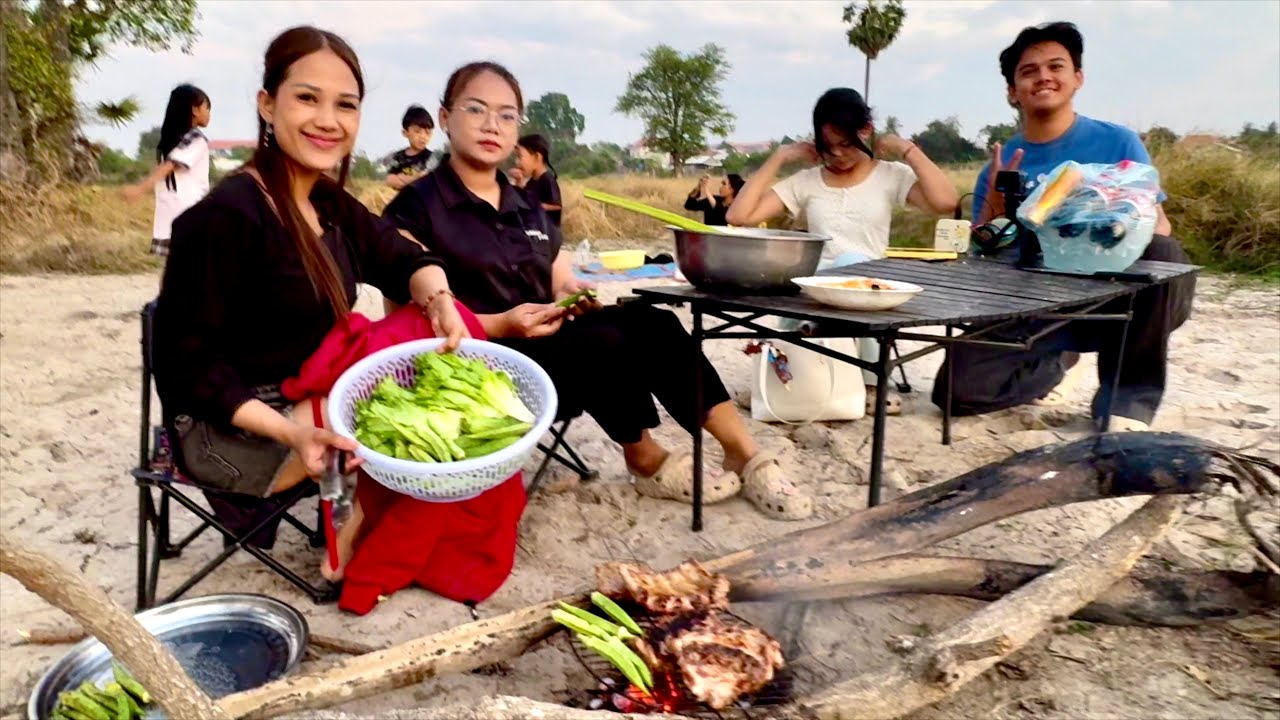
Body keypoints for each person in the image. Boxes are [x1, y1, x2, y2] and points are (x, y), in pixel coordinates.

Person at [383, 61, 813, 521]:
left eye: (507, 115)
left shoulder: (527, 205)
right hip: (480, 370)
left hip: (554, 347)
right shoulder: (414, 209)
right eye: (477, 110)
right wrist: (501, 324)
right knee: (600, 342)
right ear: (445, 117)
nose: (493, 125)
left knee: (654, 321)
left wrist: (573, 292)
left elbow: (559, 276)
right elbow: (406, 323)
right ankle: (644, 458)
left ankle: (743, 453)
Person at [152, 26, 469, 581]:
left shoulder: (328, 202)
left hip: (313, 393)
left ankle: (364, 520)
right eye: (307, 98)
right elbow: (186, 369)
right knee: (388, 409)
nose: (328, 119)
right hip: (228, 428)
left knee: (435, 345)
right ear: (268, 104)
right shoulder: (226, 217)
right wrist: (292, 430)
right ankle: (347, 533)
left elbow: (401, 257)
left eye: (345, 105)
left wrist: (440, 298)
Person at [930, 21, 1195, 431]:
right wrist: (997, 216)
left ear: (1077, 79)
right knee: (954, 394)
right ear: (1012, 91)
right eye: (1028, 71)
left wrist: (1102, 218)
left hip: (1111, 296)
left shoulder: (1118, 143)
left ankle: (1126, 405)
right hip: (1034, 303)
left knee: (1164, 255)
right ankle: (1056, 363)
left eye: (1055, 67)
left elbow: (1159, 225)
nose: (1043, 77)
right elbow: (982, 257)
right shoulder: (1000, 166)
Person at [727, 88, 958, 414]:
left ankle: (872, 382)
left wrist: (906, 149)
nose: (836, 155)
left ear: (865, 131)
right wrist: (779, 158)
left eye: (845, 144)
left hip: (868, 284)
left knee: (850, 264)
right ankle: (781, 377)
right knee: (803, 280)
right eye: (827, 147)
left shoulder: (890, 175)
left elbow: (945, 202)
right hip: (816, 283)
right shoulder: (807, 181)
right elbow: (738, 216)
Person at [122, 84, 212, 257]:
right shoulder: (196, 139)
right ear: (195, 109)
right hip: (189, 212)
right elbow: (170, 165)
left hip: (170, 213)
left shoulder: (171, 142)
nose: (209, 113)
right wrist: (140, 189)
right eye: (207, 107)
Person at [513, 133, 562, 227]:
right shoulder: (532, 181)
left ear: (537, 157)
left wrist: (536, 207)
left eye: (520, 157)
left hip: (548, 233)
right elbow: (524, 198)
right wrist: (519, 181)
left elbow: (557, 206)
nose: (517, 162)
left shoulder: (548, 179)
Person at [385, 104, 437, 190]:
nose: (423, 136)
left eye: (427, 133)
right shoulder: (398, 157)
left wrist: (404, 179)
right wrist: (415, 179)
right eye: (417, 131)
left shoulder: (431, 158)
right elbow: (389, 179)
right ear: (405, 133)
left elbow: (426, 180)